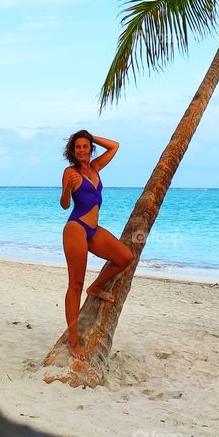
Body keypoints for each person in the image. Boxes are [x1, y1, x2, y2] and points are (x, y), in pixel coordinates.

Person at [59, 130, 135, 360]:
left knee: (125, 258)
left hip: (93, 230)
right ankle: (73, 340)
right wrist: (68, 189)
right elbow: (64, 205)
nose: (82, 150)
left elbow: (115, 145)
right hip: (76, 228)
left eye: (85, 146)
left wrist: (91, 136)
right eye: (78, 147)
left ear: (90, 148)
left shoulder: (95, 168)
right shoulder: (70, 172)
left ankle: (95, 288)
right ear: (73, 151)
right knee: (75, 284)